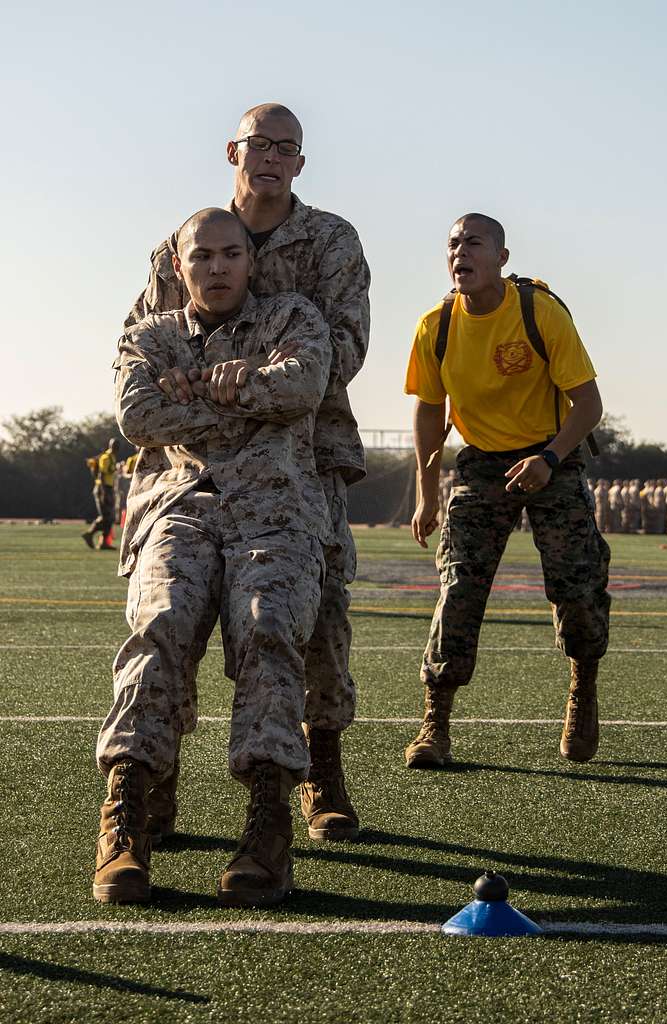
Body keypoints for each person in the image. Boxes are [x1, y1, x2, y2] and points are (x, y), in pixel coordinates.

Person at [127, 102, 369, 845]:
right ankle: (152, 787)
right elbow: (152, 350)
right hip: (188, 469)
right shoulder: (188, 239)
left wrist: (236, 384)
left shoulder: (328, 240)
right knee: (168, 616)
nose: (268, 157)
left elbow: (339, 354)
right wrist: (223, 394)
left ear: (300, 163)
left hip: (302, 458)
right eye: (256, 144)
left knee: (310, 619)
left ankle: (319, 772)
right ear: (231, 151)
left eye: (284, 147)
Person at [94, 208, 333, 907]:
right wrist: (246, 398)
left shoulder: (294, 317)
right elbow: (138, 417)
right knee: (160, 620)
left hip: (275, 512)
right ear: (178, 265)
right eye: (203, 256)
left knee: (267, 625)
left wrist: (210, 389)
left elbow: (303, 388)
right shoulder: (150, 336)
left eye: (232, 254)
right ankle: (126, 815)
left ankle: (266, 827)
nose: (219, 267)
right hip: (181, 502)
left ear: (249, 262)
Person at [403, 212, 610, 767]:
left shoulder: (539, 312)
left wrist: (548, 458)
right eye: (451, 244)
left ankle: (582, 691)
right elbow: (429, 410)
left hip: (551, 456)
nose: (459, 252)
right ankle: (435, 725)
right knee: (459, 586)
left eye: (473, 242)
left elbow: (588, 405)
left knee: (578, 587)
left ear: (502, 257)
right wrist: (426, 491)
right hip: (481, 468)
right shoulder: (436, 325)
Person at [82, 438, 120, 549]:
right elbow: (102, 475)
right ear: (110, 445)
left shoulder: (112, 457)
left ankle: (102, 542)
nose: (117, 448)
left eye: (118, 446)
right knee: (105, 516)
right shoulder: (106, 457)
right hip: (103, 488)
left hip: (108, 488)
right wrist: (104, 492)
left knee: (110, 517)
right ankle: (89, 534)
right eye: (115, 445)